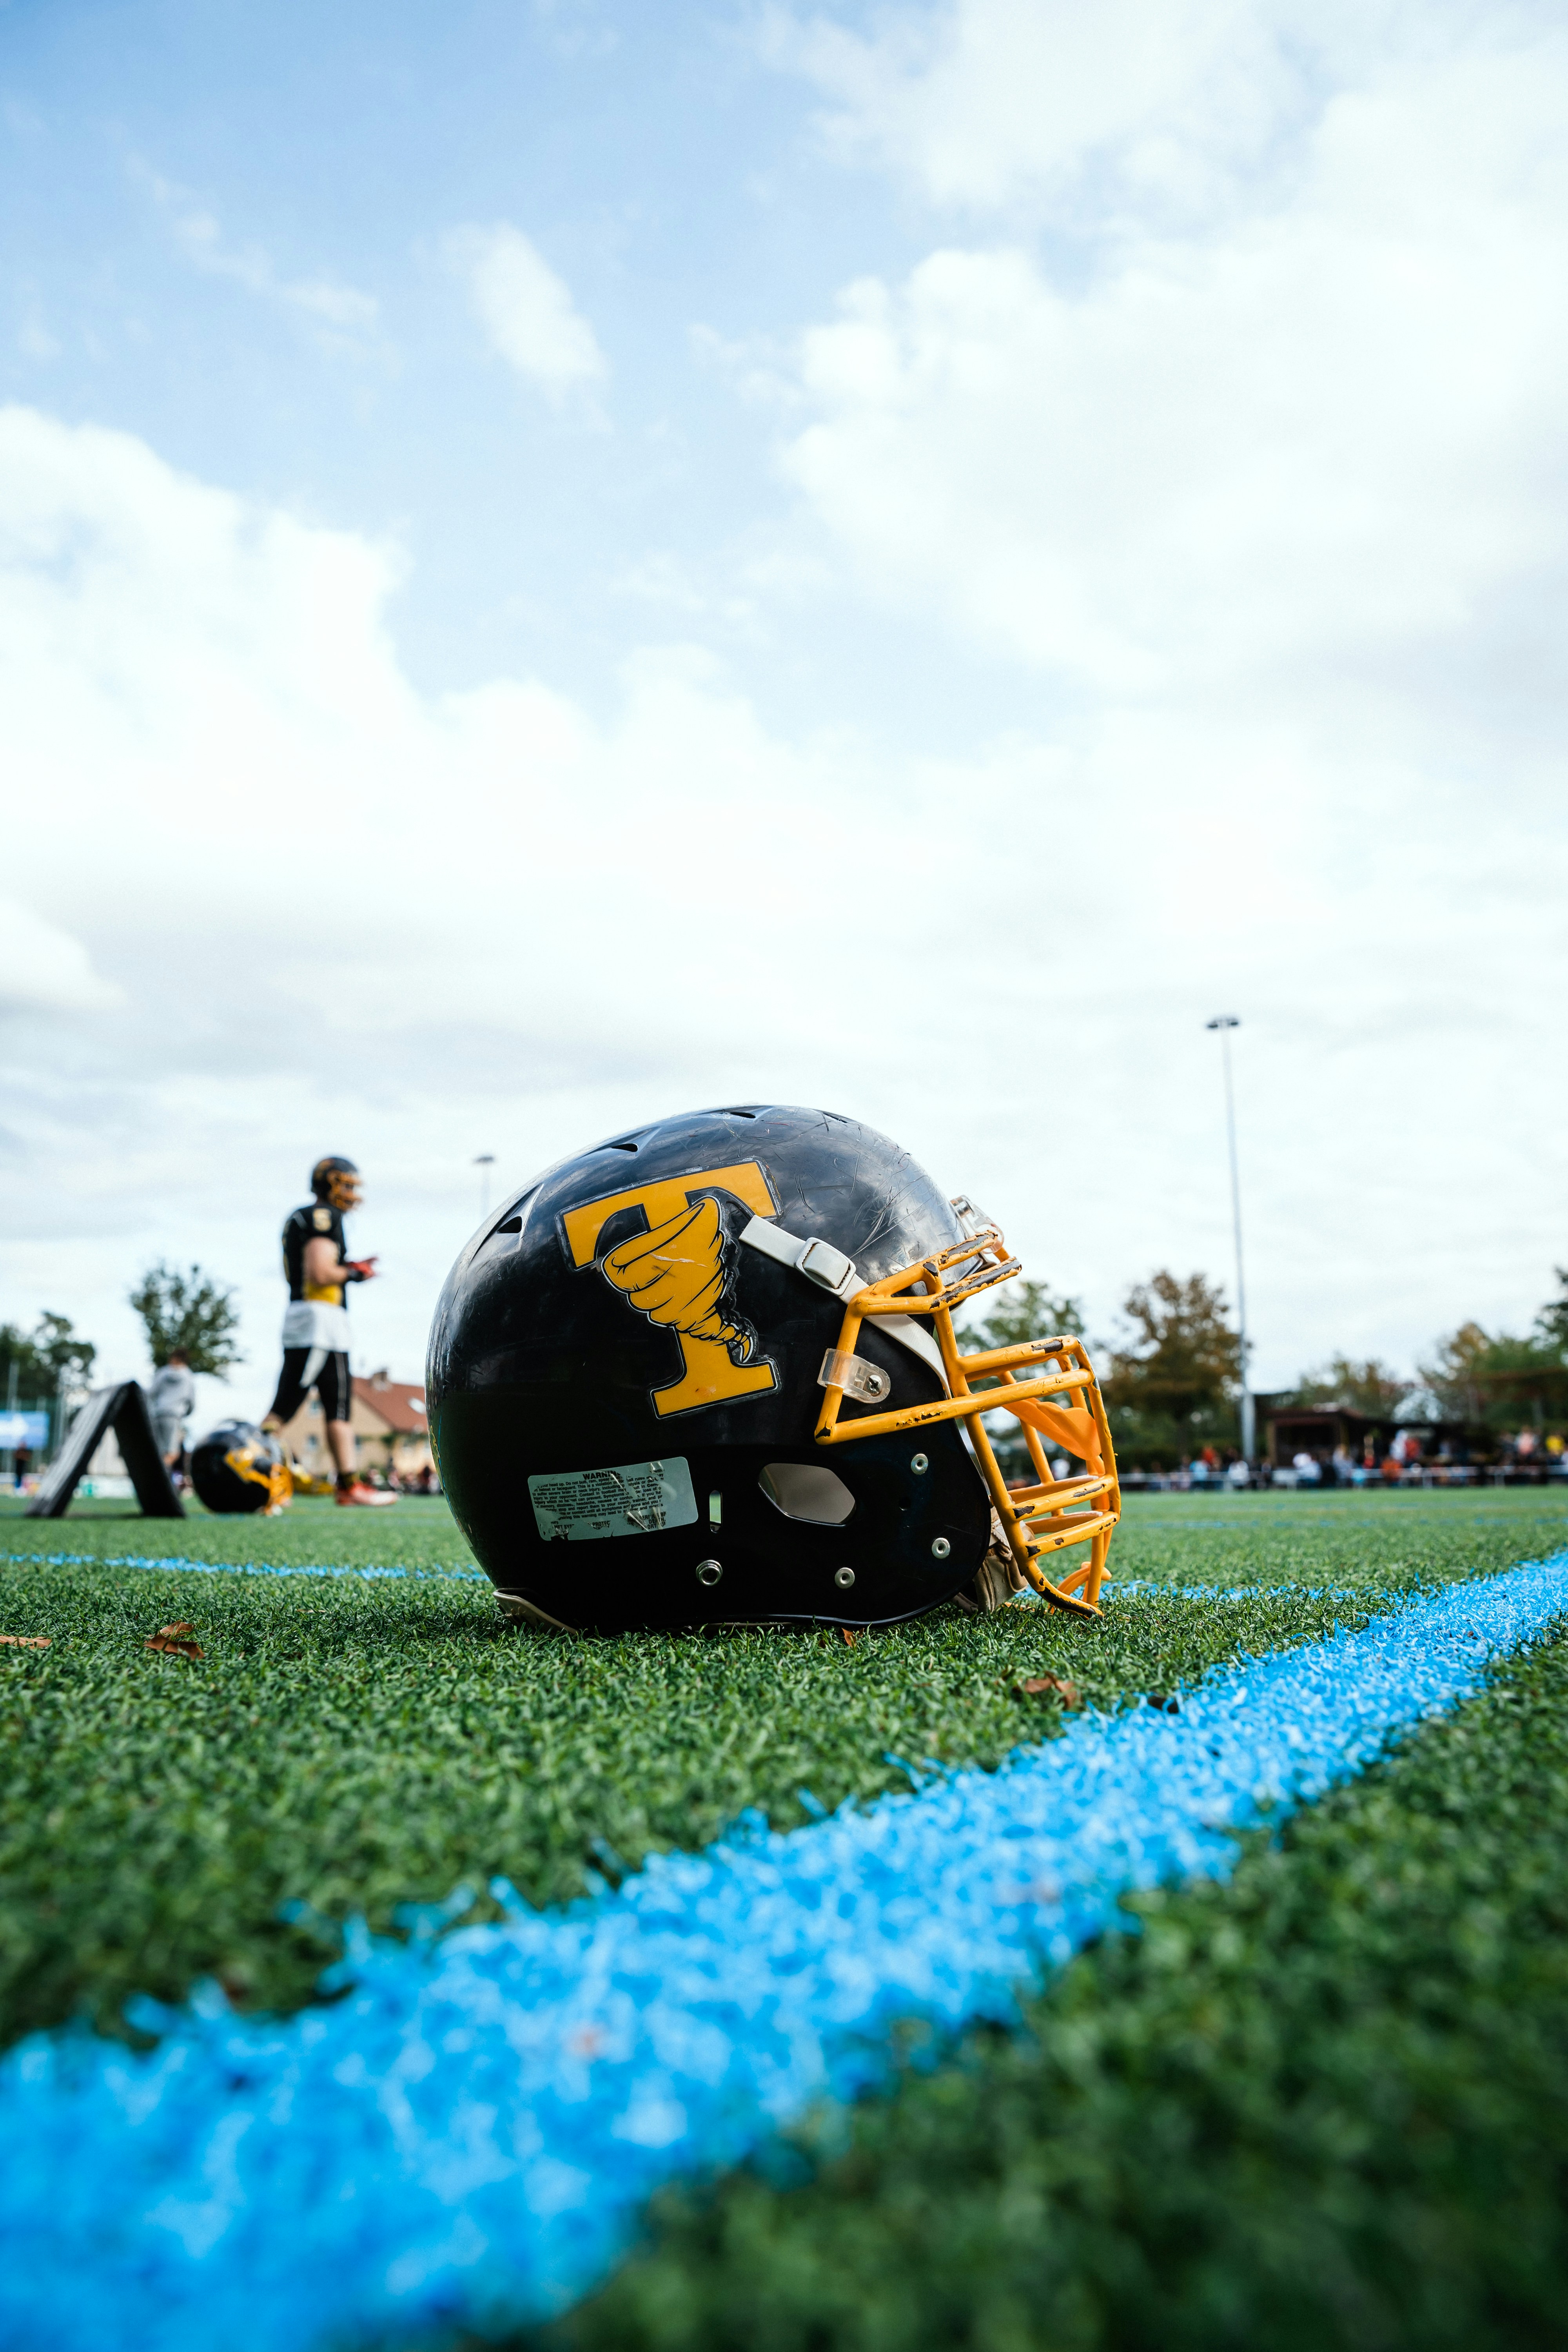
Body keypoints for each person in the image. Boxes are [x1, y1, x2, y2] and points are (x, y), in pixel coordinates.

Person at [260, 1155, 394, 1508]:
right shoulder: (323, 1217)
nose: (351, 1193)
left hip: (322, 1321)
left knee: (339, 1406)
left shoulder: (310, 1217)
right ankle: (254, 1471)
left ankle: (348, 1485)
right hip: (318, 1322)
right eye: (346, 1184)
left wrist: (350, 1268)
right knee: (285, 1408)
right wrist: (355, 1273)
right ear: (330, 1183)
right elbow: (321, 1272)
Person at [148, 1347, 196, 1483]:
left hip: (158, 1415)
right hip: (174, 1416)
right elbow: (191, 1401)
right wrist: (185, 1413)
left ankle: (157, 1479)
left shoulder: (163, 1373)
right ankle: (157, 1481)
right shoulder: (188, 1376)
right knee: (173, 1453)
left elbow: (152, 1393)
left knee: (161, 1451)